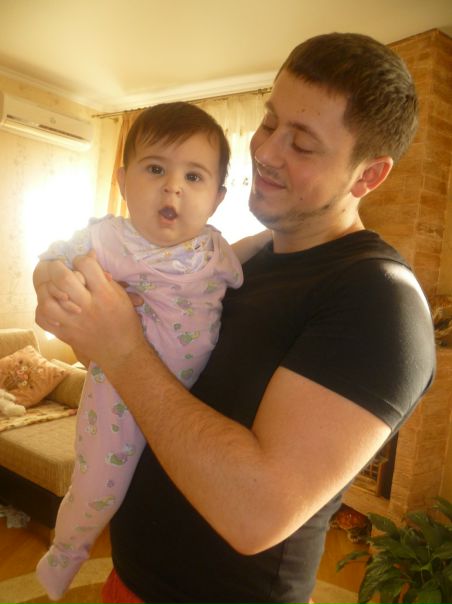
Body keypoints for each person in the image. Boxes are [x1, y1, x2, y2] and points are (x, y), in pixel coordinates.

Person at [34, 32, 436, 604]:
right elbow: (125, 361)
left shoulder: (380, 304)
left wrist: (122, 349)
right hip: (131, 579)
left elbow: (256, 515)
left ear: (367, 176)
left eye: (303, 144)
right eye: (269, 122)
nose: (266, 152)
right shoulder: (238, 259)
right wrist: (74, 307)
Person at [33, 101, 269, 601]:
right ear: (123, 182)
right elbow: (57, 257)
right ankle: (65, 552)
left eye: (193, 176)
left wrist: (274, 235)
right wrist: (46, 274)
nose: (172, 187)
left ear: (217, 198)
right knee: (99, 487)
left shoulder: (214, 248)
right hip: (118, 396)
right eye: (156, 169)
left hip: (187, 405)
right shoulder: (111, 239)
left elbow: (246, 255)